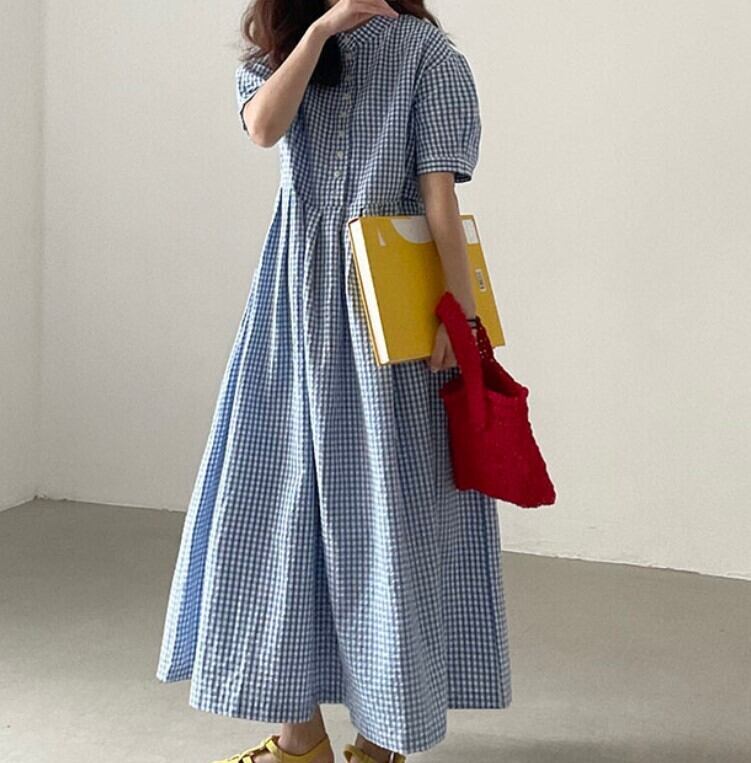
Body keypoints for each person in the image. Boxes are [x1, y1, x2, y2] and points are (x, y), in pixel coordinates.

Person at [155, 1, 512, 761]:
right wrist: (317, 33)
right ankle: (302, 739)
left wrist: (458, 316)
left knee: (384, 510)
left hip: (386, 311)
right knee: (282, 504)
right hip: (293, 303)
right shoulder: (287, 49)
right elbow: (262, 129)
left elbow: (440, 198)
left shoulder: (427, 55)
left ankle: (379, 743)